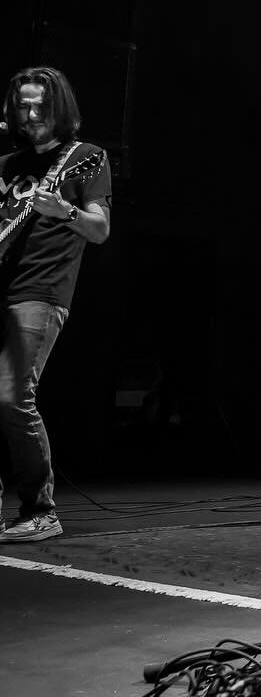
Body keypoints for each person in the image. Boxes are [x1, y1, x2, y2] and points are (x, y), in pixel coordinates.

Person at [0, 67, 112, 543]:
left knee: (10, 396)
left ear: (59, 108)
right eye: (23, 107)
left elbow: (100, 230)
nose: (31, 116)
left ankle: (40, 509)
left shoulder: (85, 159)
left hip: (40, 294)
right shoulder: (7, 163)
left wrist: (62, 210)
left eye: (40, 107)